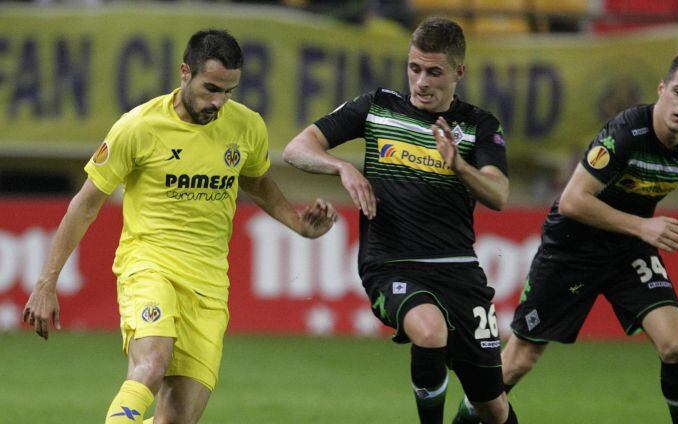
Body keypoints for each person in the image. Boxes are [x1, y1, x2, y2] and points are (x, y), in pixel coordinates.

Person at [22, 29, 337, 424]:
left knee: (177, 419)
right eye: (210, 89)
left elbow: (255, 181)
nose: (218, 102)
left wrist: (298, 223)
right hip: (149, 264)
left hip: (208, 283)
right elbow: (84, 205)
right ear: (184, 72)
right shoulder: (137, 127)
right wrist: (45, 283)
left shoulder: (246, 127)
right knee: (152, 363)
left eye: (229, 92)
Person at [454, 53, 678, 424]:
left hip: (628, 249)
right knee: (516, 364)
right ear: (662, 89)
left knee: (675, 346)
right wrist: (643, 226)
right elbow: (571, 201)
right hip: (573, 248)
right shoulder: (627, 133)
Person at [283, 16, 517, 424]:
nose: (421, 81)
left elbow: (498, 194)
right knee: (429, 331)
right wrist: (341, 167)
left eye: (434, 71)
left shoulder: (478, 125)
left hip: (459, 271)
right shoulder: (378, 107)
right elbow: (296, 148)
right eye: (414, 68)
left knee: (492, 408)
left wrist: (459, 166)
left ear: (458, 71)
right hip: (390, 263)